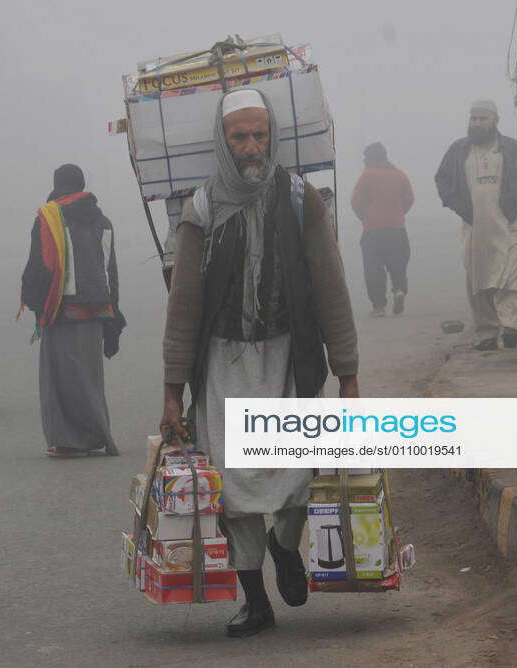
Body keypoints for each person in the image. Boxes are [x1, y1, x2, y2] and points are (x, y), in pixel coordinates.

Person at [159, 88, 360, 638]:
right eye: (239, 137)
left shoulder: (300, 199)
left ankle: (285, 547)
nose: (251, 147)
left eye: (259, 135)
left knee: (296, 478)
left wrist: (348, 374)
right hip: (223, 366)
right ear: (222, 143)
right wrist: (173, 389)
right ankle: (254, 600)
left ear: (273, 136)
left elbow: (330, 288)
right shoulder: (201, 209)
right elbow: (184, 308)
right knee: (236, 488)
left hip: (288, 360)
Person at [20, 164, 124, 458]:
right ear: (81, 186)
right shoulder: (103, 220)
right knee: (90, 377)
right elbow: (110, 270)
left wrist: (36, 304)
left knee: (60, 379)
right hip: (98, 311)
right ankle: (99, 435)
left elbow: (38, 267)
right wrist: (113, 315)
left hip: (62, 311)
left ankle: (68, 442)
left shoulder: (49, 217)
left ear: (57, 184)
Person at [435, 99, 517, 351]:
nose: (477, 123)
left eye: (483, 118)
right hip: (475, 226)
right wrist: (459, 207)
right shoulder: (459, 150)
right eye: (474, 118)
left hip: (510, 223)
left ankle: (511, 327)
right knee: (478, 280)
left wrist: (513, 204)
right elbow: (442, 179)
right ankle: (486, 332)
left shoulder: (513, 149)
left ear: (495, 120)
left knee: (512, 276)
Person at [350, 142, 414, 317]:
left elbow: (355, 202)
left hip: (373, 230)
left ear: (370, 159)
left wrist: (365, 217)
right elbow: (409, 198)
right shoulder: (399, 175)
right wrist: (399, 213)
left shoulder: (367, 175)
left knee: (373, 268)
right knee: (398, 263)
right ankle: (399, 290)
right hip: (397, 229)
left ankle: (378, 307)